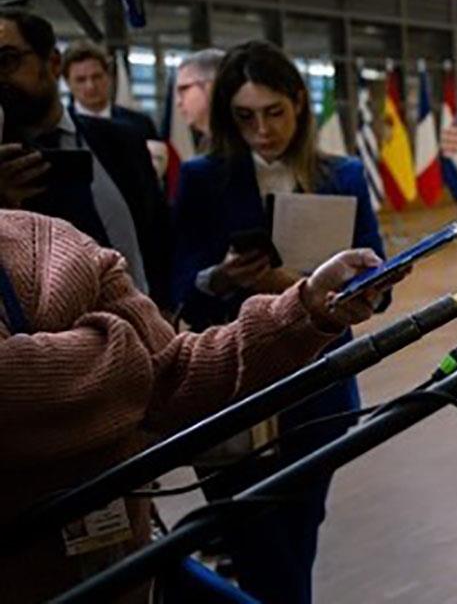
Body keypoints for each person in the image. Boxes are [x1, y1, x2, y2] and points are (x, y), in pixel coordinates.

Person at [0, 208, 387, 603]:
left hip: (129, 575)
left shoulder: (49, 238)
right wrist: (127, 355)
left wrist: (306, 307)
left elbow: (174, 372)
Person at [170, 39, 386, 604]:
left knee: (299, 530)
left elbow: (377, 279)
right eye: (245, 118)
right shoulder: (202, 179)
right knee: (253, 539)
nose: (262, 131)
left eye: (274, 114)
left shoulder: (343, 175)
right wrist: (222, 276)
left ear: (298, 104)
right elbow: (178, 283)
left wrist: (355, 287)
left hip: (321, 388)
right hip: (236, 388)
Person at [0, 9, 171, 306]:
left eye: (7, 60)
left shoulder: (123, 140)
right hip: (58, 342)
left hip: (146, 324)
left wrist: (166, 307)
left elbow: (158, 231)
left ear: (52, 63)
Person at [62, 40, 158, 142]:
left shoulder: (140, 125)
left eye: (96, 77)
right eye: (81, 80)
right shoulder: (59, 127)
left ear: (108, 76)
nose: (90, 86)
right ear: (68, 83)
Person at [174, 47, 222, 153]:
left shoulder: (249, 141)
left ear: (212, 86)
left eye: (184, 89)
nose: (178, 102)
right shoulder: (208, 143)